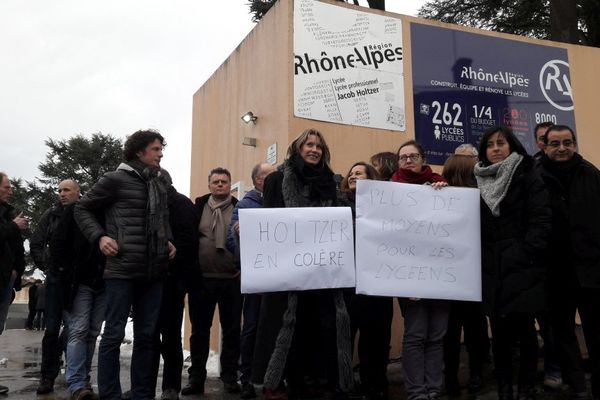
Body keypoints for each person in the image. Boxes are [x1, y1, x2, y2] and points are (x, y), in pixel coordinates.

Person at [75, 129, 176, 400]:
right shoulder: (114, 180)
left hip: (154, 270)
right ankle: (110, 394)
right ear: (139, 152)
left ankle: (142, 394)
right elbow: (81, 208)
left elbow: (163, 218)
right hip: (121, 269)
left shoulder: (160, 182)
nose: (161, 154)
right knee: (114, 336)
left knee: (146, 336)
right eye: (156, 149)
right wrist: (100, 237)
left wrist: (168, 239)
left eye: (161, 149)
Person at [253, 128, 353, 400]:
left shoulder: (332, 183)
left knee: (321, 326)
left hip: (324, 272)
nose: (314, 150)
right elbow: (272, 224)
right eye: (308, 144)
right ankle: (285, 381)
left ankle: (318, 379)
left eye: (319, 146)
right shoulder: (277, 180)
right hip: (290, 271)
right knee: (288, 328)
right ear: (297, 149)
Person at [473, 126, 551, 400]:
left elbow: (540, 219)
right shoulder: (478, 180)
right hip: (492, 269)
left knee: (526, 332)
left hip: (522, 267)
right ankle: (505, 388)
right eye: (490, 145)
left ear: (512, 146)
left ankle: (526, 387)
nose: (495, 149)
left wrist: (525, 253)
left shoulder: (528, 174)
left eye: (501, 143)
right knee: (500, 334)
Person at [538, 124, 600, 400]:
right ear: (545, 146)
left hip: (592, 269)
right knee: (562, 332)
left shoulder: (592, 175)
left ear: (574, 144)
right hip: (555, 272)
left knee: (596, 330)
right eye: (555, 143)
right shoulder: (535, 178)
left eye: (567, 143)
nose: (561, 148)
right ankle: (577, 386)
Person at [390, 140, 449, 400]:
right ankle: (416, 392)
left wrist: (447, 195)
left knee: (437, 335)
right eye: (403, 158)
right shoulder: (389, 191)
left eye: (413, 156)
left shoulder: (441, 185)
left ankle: (434, 389)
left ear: (424, 159)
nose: (408, 161)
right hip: (410, 276)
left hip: (442, 274)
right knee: (415, 335)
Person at [182, 168, 240, 396]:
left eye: (224, 182)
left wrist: (242, 267)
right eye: (215, 181)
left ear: (229, 185)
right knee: (199, 332)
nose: (220, 185)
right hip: (202, 281)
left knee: (232, 331)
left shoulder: (240, 209)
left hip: (232, 281)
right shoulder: (197, 209)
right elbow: (188, 240)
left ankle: (230, 377)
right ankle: (196, 378)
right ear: (209, 185)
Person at [342, 162, 393, 400]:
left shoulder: (385, 205)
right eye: (351, 173)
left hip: (378, 283)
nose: (353, 176)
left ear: (371, 178)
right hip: (348, 285)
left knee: (376, 337)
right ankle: (345, 383)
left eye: (358, 173)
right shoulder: (339, 205)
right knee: (346, 335)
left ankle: (375, 383)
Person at [441, 145, 490, 396]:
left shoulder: (481, 196)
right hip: (462, 274)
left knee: (464, 328)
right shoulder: (439, 193)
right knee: (469, 327)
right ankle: (471, 374)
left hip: (465, 274)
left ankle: (461, 375)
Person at [226, 163, 276, 400]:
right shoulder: (245, 205)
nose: (275, 178)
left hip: (279, 277)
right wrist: (242, 245)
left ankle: (273, 377)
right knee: (252, 326)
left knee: (276, 326)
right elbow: (230, 240)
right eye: (269, 175)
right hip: (256, 277)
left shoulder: (281, 201)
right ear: (258, 180)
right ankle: (246, 378)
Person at [51, 198, 106, 400]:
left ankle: (84, 379)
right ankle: (76, 383)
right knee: (79, 330)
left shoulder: (112, 211)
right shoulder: (75, 210)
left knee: (92, 332)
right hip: (79, 282)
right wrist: (62, 271)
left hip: (102, 282)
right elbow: (58, 243)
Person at [30, 179, 81, 394]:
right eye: (59, 190)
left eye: (66, 190)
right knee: (51, 329)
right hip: (54, 279)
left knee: (75, 328)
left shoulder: (84, 214)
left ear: (78, 193)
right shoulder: (50, 215)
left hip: (77, 279)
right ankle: (47, 377)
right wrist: (47, 265)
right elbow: (36, 242)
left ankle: (76, 375)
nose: (62, 193)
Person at [150, 186, 199, 400]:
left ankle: (171, 387)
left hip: (172, 280)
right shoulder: (149, 202)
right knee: (148, 337)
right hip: (148, 280)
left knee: (170, 336)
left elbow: (189, 243)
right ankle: (144, 385)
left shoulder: (181, 204)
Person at [0, 171, 27, 396]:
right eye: (6, 187)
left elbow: (14, 245)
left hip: (5, 280)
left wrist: (17, 271)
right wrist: (13, 227)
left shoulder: (6, 214)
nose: (10, 190)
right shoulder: (9, 221)